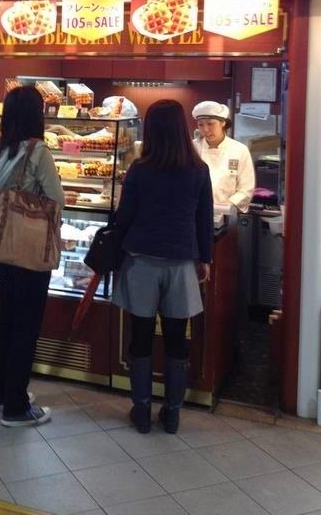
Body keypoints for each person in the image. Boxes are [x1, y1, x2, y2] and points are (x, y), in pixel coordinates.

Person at [113, 100, 213, 435]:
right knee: (176, 338)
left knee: (141, 336)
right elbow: (204, 219)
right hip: (181, 262)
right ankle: (172, 414)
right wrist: (205, 259)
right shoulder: (198, 170)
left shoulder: (140, 170)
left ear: (152, 130)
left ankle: (141, 410)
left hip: (141, 261)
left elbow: (125, 216)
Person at [0, 86, 64, 427]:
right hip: (29, 248)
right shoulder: (37, 151)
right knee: (26, 326)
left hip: (3, 246)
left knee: (7, 320)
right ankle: (16, 407)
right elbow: (56, 199)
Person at [192, 101, 256, 213]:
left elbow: (246, 189)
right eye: (200, 125)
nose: (205, 129)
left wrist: (225, 208)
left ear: (223, 123)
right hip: (196, 212)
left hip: (227, 213)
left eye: (210, 124)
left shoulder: (239, 149)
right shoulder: (192, 148)